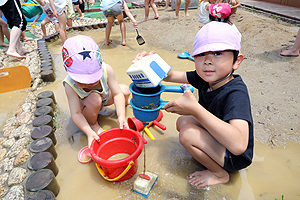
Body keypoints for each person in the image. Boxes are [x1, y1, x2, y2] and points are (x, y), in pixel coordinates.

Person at [132, 21, 253, 188]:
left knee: (187, 135)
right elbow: (170, 75)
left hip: (234, 156)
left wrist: (196, 109)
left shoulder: (236, 93)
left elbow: (239, 146)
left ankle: (219, 174)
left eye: (218, 53)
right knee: (183, 122)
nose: (208, 61)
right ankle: (207, 155)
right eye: (201, 54)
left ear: (236, 61)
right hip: (219, 139)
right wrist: (149, 62)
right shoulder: (204, 77)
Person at [62, 35, 130, 148]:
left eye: (93, 78)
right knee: (95, 98)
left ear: (100, 62)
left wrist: (121, 115)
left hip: (104, 98)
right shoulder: (70, 85)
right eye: (82, 81)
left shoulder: (106, 69)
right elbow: (76, 113)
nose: (88, 83)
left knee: (125, 90)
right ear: (68, 70)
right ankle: (93, 124)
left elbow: (117, 94)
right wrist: (88, 132)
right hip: (87, 106)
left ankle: (124, 106)